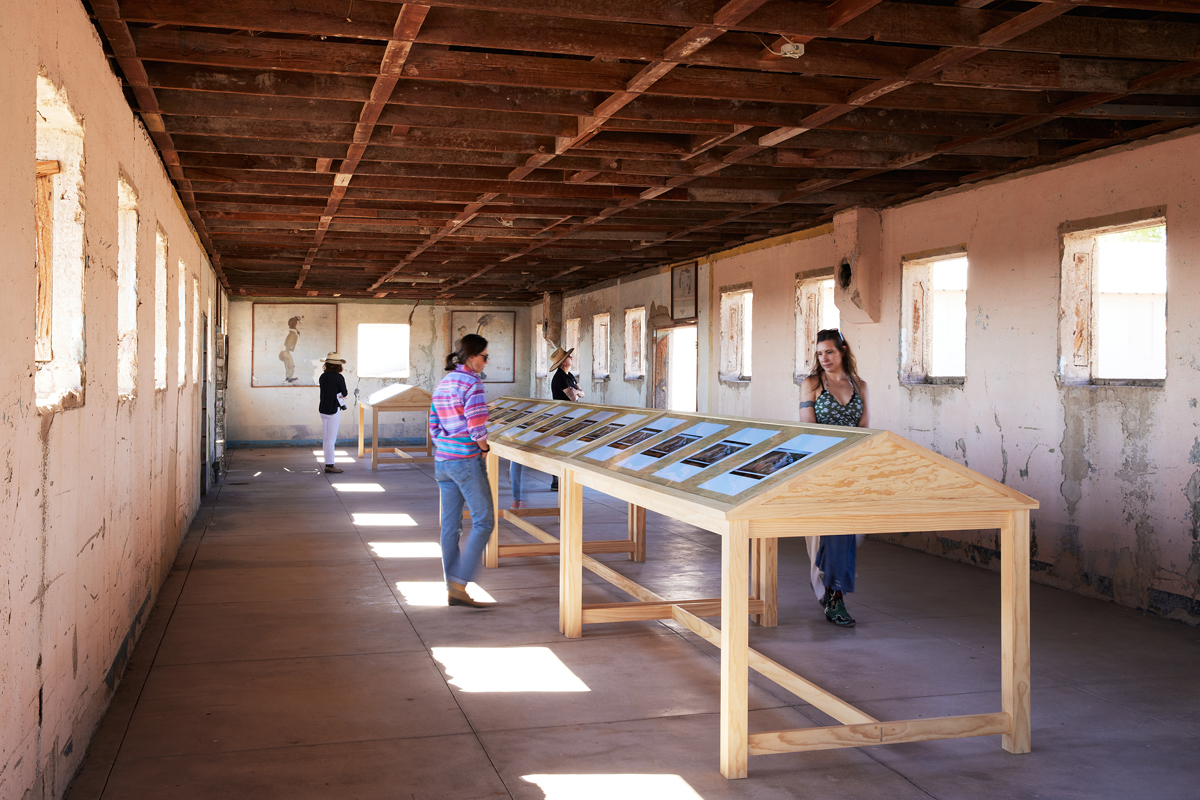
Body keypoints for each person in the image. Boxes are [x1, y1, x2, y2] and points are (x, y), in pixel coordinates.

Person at [798, 329, 870, 627]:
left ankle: (833, 589)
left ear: (842, 350)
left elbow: (864, 429)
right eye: (819, 354)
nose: (824, 358)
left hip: (851, 468)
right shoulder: (813, 384)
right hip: (820, 466)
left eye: (829, 352)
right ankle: (833, 596)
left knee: (851, 532)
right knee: (823, 533)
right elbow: (807, 429)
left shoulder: (860, 386)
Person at [430, 334, 495, 609]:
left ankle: (451, 586)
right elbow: (477, 425)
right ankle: (459, 582)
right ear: (472, 357)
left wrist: (444, 445)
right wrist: (483, 448)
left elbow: (433, 423)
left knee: (450, 526)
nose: (486, 361)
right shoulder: (472, 383)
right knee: (484, 521)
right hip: (466, 460)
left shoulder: (444, 383)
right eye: (484, 356)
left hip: (443, 461)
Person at [547, 347, 583, 491]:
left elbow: (582, 393)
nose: (572, 359)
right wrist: (576, 391)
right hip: (561, 417)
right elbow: (573, 397)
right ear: (563, 362)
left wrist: (576, 391)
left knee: (569, 447)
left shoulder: (570, 376)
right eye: (569, 357)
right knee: (560, 448)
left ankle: (566, 477)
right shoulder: (560, 378)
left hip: (571, 417)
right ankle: (556, 480)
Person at [318, 352, 348, 474]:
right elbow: (344, 393)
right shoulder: (338, 377)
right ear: (338, 366)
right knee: (331, 439)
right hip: (333, 410)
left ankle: (328, 463)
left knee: (326, 439)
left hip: (323, 409)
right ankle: (329, 465)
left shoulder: (322, 377)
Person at [280, 316, 301, 383]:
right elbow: (288, 343)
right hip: (286, 352)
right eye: (297, 323)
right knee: (290, 366)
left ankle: (289, 378)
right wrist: (290, 349)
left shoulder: (293, 333)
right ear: (295, 324)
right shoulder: (292, 333)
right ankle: (287, 378)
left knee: (290, 365)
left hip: (285, 351)